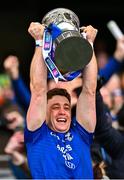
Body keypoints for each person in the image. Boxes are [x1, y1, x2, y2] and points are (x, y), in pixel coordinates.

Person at [24, 22, 98, 179]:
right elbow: (38, 91)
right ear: (44, 113)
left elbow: (90, 91)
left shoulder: (82, 134)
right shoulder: (37, 135)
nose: (62, 111)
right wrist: (39, 42)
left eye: (66, 106)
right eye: (55, 107)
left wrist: (88, 44)